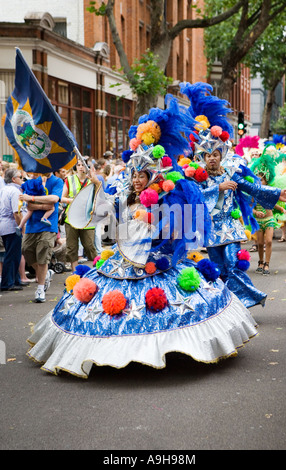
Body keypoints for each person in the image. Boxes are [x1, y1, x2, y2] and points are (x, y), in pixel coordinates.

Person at [27, 96, 258, 378]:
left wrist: (161, 233)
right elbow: (104, 219)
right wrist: (96, 186)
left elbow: (177, 229)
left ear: (152, 176)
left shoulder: (164, 198)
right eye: (134, 174)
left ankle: (167, 350)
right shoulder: (123, 197)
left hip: (153, 261)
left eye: (143, 175)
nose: (137, 179)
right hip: (122, 262)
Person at [180, 81, 286, 308]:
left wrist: (276, 194)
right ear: (203, 159)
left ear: (220, 156)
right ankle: (226, 307)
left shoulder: (232, 173)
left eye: (215, 154)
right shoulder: (198, 178)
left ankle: (247, 300)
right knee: (218, 271)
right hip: (211, 230)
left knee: (233, 264)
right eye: (208, 156)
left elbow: (253, 188)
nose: (212, 158)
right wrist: (217, 188)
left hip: (230, 228)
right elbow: (195, 199)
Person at [20, 172, 64, 302]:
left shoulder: (57, 181)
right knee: (26, 249)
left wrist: (32, 199)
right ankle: (45, 274)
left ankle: (40, 289)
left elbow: (54, 200)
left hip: (48, 225)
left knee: (43, 254)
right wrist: (42, 204)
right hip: (32, 225)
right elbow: (28, 205)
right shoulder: (35, 180)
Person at [61, 159, 98, 271]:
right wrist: (72, 201)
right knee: (72, 247)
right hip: (71, 218)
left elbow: (99, 196)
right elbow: (62, 198)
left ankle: (97, 270)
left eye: (83, 165)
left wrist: (95, 179)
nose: (80, 167)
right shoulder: (69, 179)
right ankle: (75, 272)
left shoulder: (92, 181)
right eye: (78, 165)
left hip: (87, 219)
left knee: (89, 246)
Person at [0, 168, 23, 291]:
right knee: (12, 255)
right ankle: (8, 282)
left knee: (13, 254)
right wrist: (21, 227)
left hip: (4, 225)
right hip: (12, 226)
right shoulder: (14, 191)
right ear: (13, 179)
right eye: (20, 177)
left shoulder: (4, 190)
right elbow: (16, 212)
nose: (22, 179)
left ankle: (14, 280)